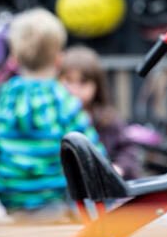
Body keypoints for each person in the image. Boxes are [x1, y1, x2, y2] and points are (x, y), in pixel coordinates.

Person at [0, 8, 102, 220]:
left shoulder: (5, 97)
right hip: (55, 200)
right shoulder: (62, 98)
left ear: (14, 58)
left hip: (13, 198)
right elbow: (90, 150)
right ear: (59, 59)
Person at [59, 45, 141, 179]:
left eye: (83, 82)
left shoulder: (108, 119)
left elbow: (128, 150)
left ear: (96, 85)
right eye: (69, 81)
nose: (75, 89)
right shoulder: (53, 118)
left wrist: (117, 168)